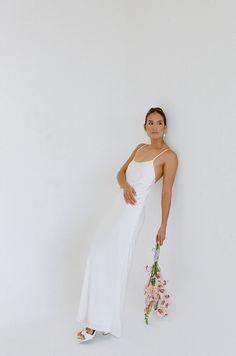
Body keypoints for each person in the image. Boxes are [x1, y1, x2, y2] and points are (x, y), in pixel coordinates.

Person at [76, 107, 178, 342]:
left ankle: (99, 323)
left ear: (165, 127)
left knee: (114, 262)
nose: (154, 127)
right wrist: (125, 186)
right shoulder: (140, 148)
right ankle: (97, 320)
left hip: (132, 214)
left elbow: (167, 192)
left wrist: (163, 225)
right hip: (116, 207)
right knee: (96, 256)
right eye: (150, 122)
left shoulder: (168, 156)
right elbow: (120, 173)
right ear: (145, 127)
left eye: (159, 123)